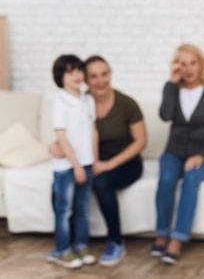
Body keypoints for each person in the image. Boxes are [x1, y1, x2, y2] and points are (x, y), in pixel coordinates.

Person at [50, 55, 147, 266]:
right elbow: (69, 131)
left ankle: (115, 242)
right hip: (93, 163)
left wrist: (107, 165)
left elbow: (141, 142)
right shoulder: (83, 101)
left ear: (110, 74)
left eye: (104, 74)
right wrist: (54, 145)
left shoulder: (126, 104)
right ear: (86, 78)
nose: (100, 80)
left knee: (101, 183)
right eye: (93, 76)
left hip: (126, 164)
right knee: (61, 191)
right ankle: (64, 246)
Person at [151, 43, 204, 265]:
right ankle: (162, 232)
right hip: (174, 151)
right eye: (183, 64)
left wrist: (201, 155)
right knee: (166, 181)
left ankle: (178, 238)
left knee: (191, 179)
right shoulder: (172, 87)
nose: (188, 68)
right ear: (176, 67)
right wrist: (172, 84)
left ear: (200, 64)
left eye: (193, 63)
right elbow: (164, 115)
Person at [47, 54, 97, 269]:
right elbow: (61, 137)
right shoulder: (60, 103)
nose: (76, 75)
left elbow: (93, 130)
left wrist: (92, 160)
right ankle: (62, 250)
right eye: (70, 71)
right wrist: (76, 165)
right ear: (61, 76)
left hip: (86, 163)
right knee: (64, 209)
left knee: (82, 208)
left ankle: (80, 245)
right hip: (67, 167)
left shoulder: (88, 100)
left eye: (78, 70)